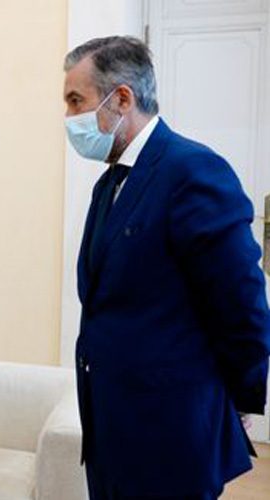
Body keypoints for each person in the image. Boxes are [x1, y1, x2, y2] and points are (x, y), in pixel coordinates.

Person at [63, 36, 270, 500]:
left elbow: (241, 301)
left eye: (76, 100)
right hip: (111, 427)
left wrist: (240, 396)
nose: (69, 117)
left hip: (169, 431)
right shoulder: (108, 185)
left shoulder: (192, 170)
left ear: (122, 99)